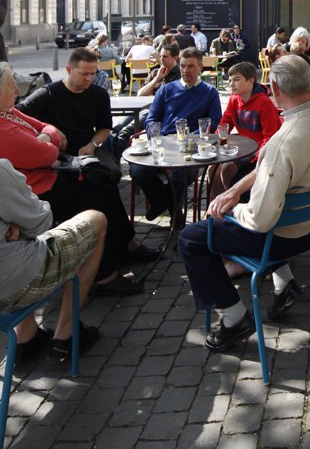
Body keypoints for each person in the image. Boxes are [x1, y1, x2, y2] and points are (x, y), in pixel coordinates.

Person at [177, 55, 310, 348]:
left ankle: (234, 318)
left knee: (191, 238)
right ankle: (285, 282)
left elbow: (260, 220)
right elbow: (273, 165)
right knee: (258, 208)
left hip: (285, 237)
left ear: (275, 87)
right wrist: (235, 190)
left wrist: (230, 210)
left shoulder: (285, 139)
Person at [2, 61, 155, 294]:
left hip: (54, 170)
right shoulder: (7, 124)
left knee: (104, 180)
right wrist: (47, 139)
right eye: (12, 86)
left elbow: (45, 128)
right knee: (98, 194)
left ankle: (126, 246)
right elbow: (46, 153)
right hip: (35, 192)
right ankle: (103, 275)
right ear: (69, 70)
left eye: (92, 74)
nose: (17, 90)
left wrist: (45, 135)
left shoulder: (10, 113)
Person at [0, 159, 107, 362]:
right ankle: (65, 337)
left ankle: (26, 336)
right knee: (96, 219)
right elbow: (41, 221)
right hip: (12, 283)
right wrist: (17, 225)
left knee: (17, 249)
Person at [128, 48, 222, 220]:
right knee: (137, 169)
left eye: (191, 66)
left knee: (183, 173)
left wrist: (190, 140)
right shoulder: (166, 90)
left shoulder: (209, 92)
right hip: (162, 144)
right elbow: (151, 119)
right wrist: (156, 137)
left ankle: (165, 207)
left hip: (190, 148)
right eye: (183, 66)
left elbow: (214, 122)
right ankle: (166, 205)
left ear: (200, 67)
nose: (186, 70)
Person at [215, 62, 282, 187]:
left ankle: (231, 201)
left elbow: (270, 137)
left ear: (250, 80)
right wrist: (220, 147)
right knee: (212, 169)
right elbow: (224, 126)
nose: (231, 84)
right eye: (229, 80)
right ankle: (216, 205)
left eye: (236, 80)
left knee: (227, 168)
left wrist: (257, 158)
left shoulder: (264, 103)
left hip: (260, 151)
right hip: (244, 147)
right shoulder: (234, 100)